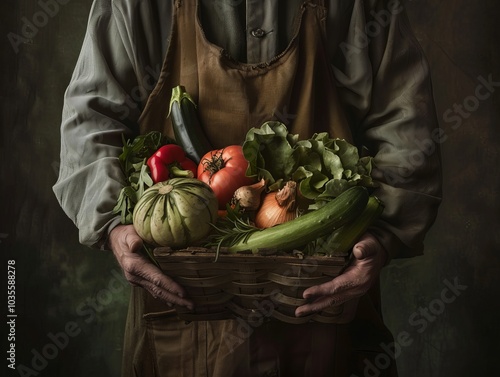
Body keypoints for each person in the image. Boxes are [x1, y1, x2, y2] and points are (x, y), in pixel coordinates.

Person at [53, 0, 442, 376]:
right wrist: (113, 225)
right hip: (180, 321)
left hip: (328, 307)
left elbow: (408, 129)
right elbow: (90, 123)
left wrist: (383, 235)